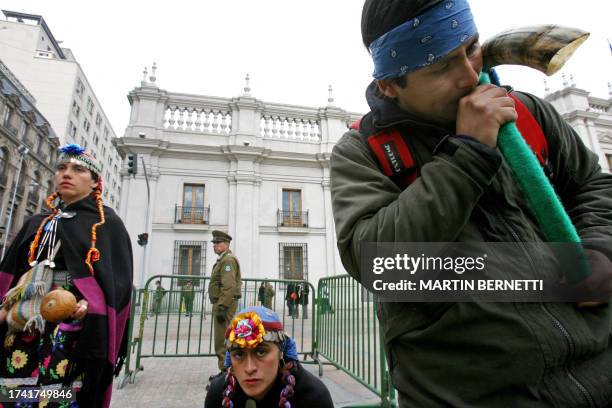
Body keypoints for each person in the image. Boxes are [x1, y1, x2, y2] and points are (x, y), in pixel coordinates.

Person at [330, 0, 612, 406]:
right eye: (440, 67)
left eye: (471, 47)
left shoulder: (527, 112)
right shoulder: (364, 152)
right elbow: (379, 262)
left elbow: (593, 185)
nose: (467, 75)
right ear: (391, 85)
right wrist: (468, 154)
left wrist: (601, 252)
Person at [0, 144, 133, 407]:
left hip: (70, 331)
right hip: (22, 325)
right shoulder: (37, 221)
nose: (66, 174)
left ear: (95, 182)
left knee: (58, 397)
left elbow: (115, 283)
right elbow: (11, 273)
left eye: (78, 169)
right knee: (13, 393)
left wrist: (89, 304)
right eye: (62, 168)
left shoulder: (106, 224)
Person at [204, 306, 333, 408]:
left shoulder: (312, 398)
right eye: (239, 354)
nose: (249, 368)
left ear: (281, 352)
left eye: (261, 352)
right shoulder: (217, 394)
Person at [208, 230, 241, 375]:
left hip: (225, 304)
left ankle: (226, 372)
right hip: (224, 303)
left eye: (218, 243)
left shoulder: (227, 260)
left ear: (226, 244)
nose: (215, 245)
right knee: (222, 338)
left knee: (222, 340)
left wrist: (221, 307)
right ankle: (226, 370)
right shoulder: (224, 259)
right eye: (214, 243)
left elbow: (229, 286)